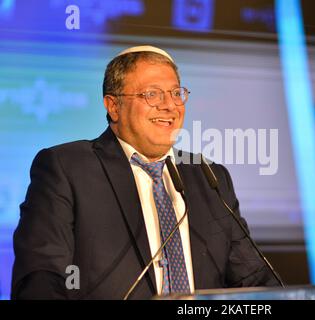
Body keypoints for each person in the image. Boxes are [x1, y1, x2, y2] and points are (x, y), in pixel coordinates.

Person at [11, 45, 280, 299]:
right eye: (152, 94)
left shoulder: (209, 177)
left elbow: (253, 279)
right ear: (113, 106)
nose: (169, 105)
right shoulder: (67, 167)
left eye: (176, 93)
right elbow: (41, 277)